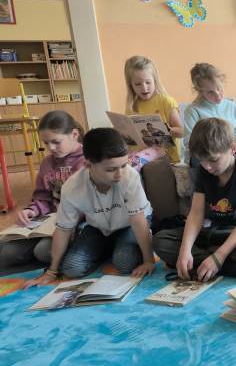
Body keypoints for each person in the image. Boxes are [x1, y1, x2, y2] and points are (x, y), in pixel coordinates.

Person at [23, 128, 155, 287]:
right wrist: (52, 271)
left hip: (130, 225)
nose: (120, 174)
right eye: (111, 169)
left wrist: (149, 261)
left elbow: (138, 220)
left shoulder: (130, 176)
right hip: (98, 228)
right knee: (72, 269)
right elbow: (63, 229)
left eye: (123, 165)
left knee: (125, 262)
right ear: (88, 165)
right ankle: (109, 248)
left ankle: (117, 248)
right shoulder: (72, 186)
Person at [153, 117, 236, 281]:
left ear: (232, 148)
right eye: (201, 160)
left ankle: (209, 260)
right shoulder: (204, 170)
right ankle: (229, 266)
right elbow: (196, 214)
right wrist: (185, 251)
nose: (207, 166)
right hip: (215, 232)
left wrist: (219, 256)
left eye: (214, 160)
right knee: (160, 241)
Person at [0, 111, 84, 269]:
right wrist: (31, 211)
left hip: (76, 223)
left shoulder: (88, 160)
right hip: (49, 221)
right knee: (7, 253)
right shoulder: (47, 163)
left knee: (43, 251)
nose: (51, 148)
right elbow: (42, 196)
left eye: (56, 142)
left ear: (74, 135)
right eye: (46, 143)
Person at [182, 63, 236, 166]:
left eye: (219, 88)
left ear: (222, 83)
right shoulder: (192, 110)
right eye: (210, 92)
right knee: (216, 162)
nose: (218, 95)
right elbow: (190, 142)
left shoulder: (231, 105)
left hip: (229, 150)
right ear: (200, 92)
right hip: (203, 152)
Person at [124, 55, 183, 163]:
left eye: (148, 82)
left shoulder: (166, 101)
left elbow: (181, 132)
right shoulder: (132, 106)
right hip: (140, 152)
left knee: (134, 161)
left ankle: (132, 164)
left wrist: (168, 130)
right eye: (138, 84)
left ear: (155, 80)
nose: (144, 88)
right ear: (131, 86)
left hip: (164, 155)